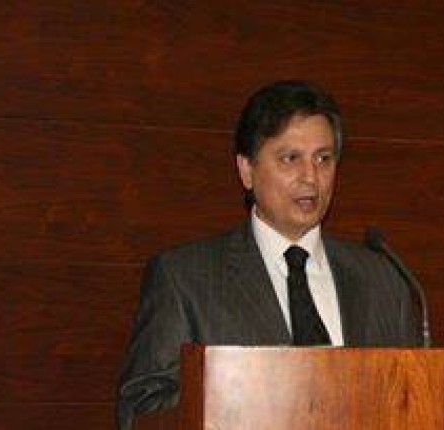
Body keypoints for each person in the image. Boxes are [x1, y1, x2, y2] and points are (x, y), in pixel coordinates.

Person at [117, 80, 422, 430]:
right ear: (247, 170)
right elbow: (142, 410)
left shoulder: (384, 281)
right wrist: (246, 402)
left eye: (323, 159)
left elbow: (417, 402)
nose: (310, 177)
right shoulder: (185, 279)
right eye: (290, 159)